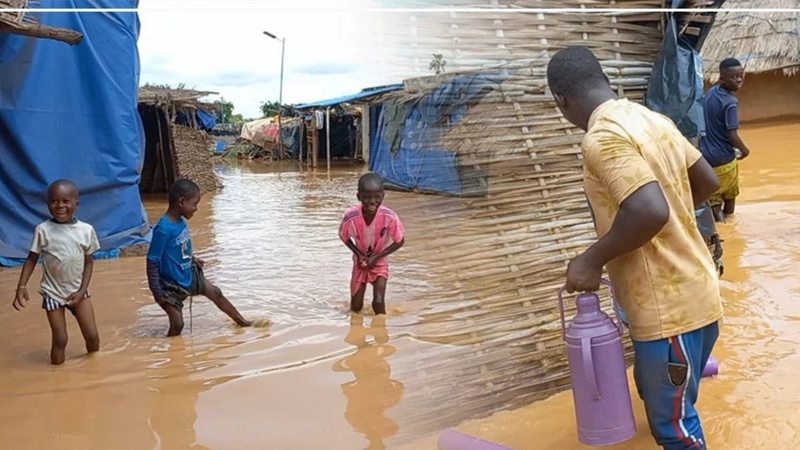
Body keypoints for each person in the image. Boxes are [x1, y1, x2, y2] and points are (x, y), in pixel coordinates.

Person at [546, 46, 723, 450]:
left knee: (676, 431)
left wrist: (591, 259)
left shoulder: (603, 138)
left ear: (561, 100)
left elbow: (647, 210)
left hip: (668, 309)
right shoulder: (651, 119)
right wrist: (674, 215)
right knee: (666, 397)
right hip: (700, 291)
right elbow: (707, 182)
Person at [146, 178, 252, 336]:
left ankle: (242, 322)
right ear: (181, 202)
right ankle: (173, 355)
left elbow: (178, 248)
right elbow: (152, 261)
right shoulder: (163, 229)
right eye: (194, 204)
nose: (196, 209)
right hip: (170, 285)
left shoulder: (180, 221)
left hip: (188, 273)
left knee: (215, 292)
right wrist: (158, 293)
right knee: (178, 323)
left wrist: (193, 259)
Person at [12, 180, 101, 365]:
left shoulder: (86, 230)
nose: (60, 206)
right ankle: (57, 374)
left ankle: (94, 369)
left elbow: (89, 263)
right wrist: (21, 286)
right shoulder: (43, 230)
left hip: (79, 291)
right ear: (48, 204)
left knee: (92, 337)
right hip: (53, 292)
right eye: (54, 201)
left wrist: (82, 290)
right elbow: (31, 259)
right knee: (60, 339)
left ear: (76, 204)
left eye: (66, 201)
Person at [339, 173, 405, 315]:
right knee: (356, 307)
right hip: (360, 263)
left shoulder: (390, 217)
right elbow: (343, 236)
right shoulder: (351, 216)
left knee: (378, 302)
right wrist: (358, 253)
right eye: (367, 197)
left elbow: (400, 241)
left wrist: (377, 257)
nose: (372, 202)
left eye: (377, 197)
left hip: (379, 263)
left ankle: (381, 333)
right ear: (359, 197)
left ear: (383, 196)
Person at [699, 57, 751, 222]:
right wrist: (745, 150)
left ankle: (722, 230)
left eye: (740, 75)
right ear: (722, 78)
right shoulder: (730, 103)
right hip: (724, 158)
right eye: (733, 77)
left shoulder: (710, 93)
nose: (738, 80)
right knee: (730, 196)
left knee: (714, 200)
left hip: (706, 159)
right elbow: (732, 135)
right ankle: (730, 226)